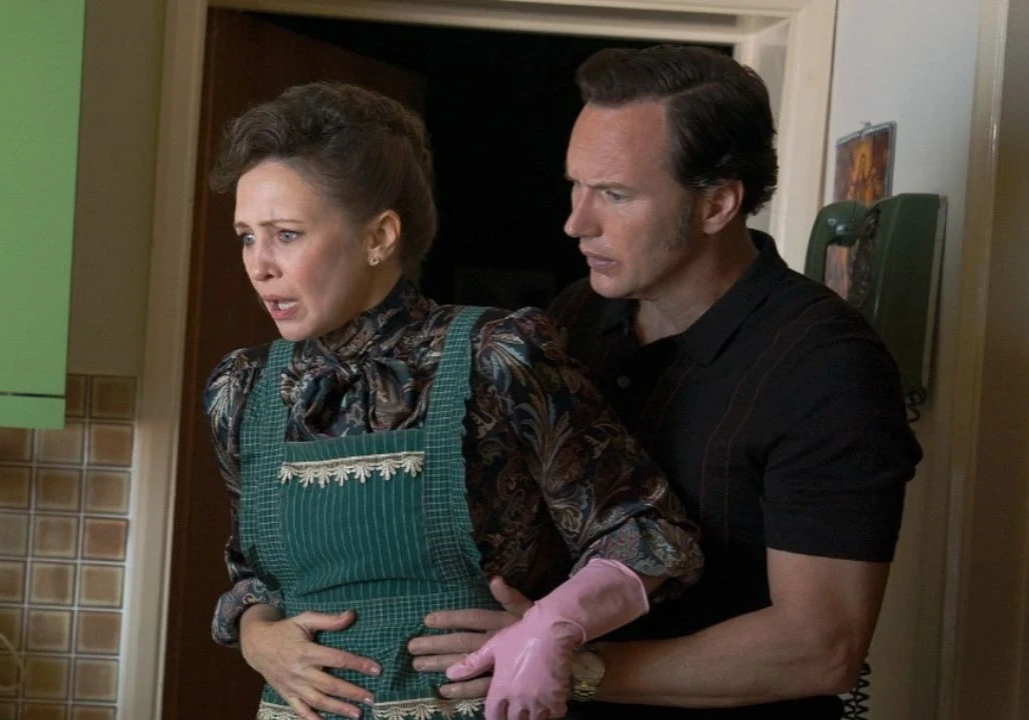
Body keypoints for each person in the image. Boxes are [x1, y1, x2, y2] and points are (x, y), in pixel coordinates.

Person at [408, 45, 923, 720]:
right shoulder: (576, 316)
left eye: (615, 194)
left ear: (717, 204)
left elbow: (820, 648)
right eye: (576, 186)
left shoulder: (827, 366)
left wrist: (569, 665)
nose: (576, 222)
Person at [202, 81, 704, 720]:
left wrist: (550, 627)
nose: (259, 265)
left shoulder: (495, 357)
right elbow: (252, 572)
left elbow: (647, 532)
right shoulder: (241, 388)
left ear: (380, 236)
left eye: (287, 235)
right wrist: (256, 636)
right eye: (247, 236)